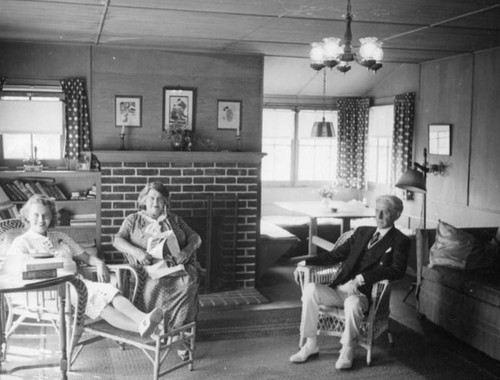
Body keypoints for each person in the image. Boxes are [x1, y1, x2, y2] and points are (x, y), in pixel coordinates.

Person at [7, 194, 163, 338]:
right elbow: (16, 271)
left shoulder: (60, 237)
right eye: (36, 215)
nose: (41, 220)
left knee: (109, 291)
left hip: (77, 284)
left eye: (45, 215)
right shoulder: (22, 242)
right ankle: (144, 326)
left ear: (51, 217)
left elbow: (87, 258)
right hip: (49, 291)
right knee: (98, 301)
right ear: (27, 216)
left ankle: (143, 320)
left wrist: (100, 263)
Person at [289, 194, 410, 369]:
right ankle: (310, 343)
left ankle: (347, 349)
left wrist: (361, 279)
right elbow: (335, 255)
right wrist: (305, 262)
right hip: (339, 289)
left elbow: (397, 271)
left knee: (352, 303)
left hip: (364, 294)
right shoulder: (362, 232)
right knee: (310, 289)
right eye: (377, 211)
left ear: (397, 215)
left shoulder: (400, 240)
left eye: (386, 212)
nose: (380, 216)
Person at [113, 182, 200, 336]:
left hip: (175, 268)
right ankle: (159, 330)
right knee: (157, 285)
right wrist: (137, 252)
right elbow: (117, 240)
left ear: (165, 202)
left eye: (160, 199)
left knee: (187, 282)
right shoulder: (133, 219)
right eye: (152, 198)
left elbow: (196, 237)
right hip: (148, 271)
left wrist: (186, 252)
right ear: (144, 200)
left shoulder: (174, 219)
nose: (155, 202)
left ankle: (179, 333)